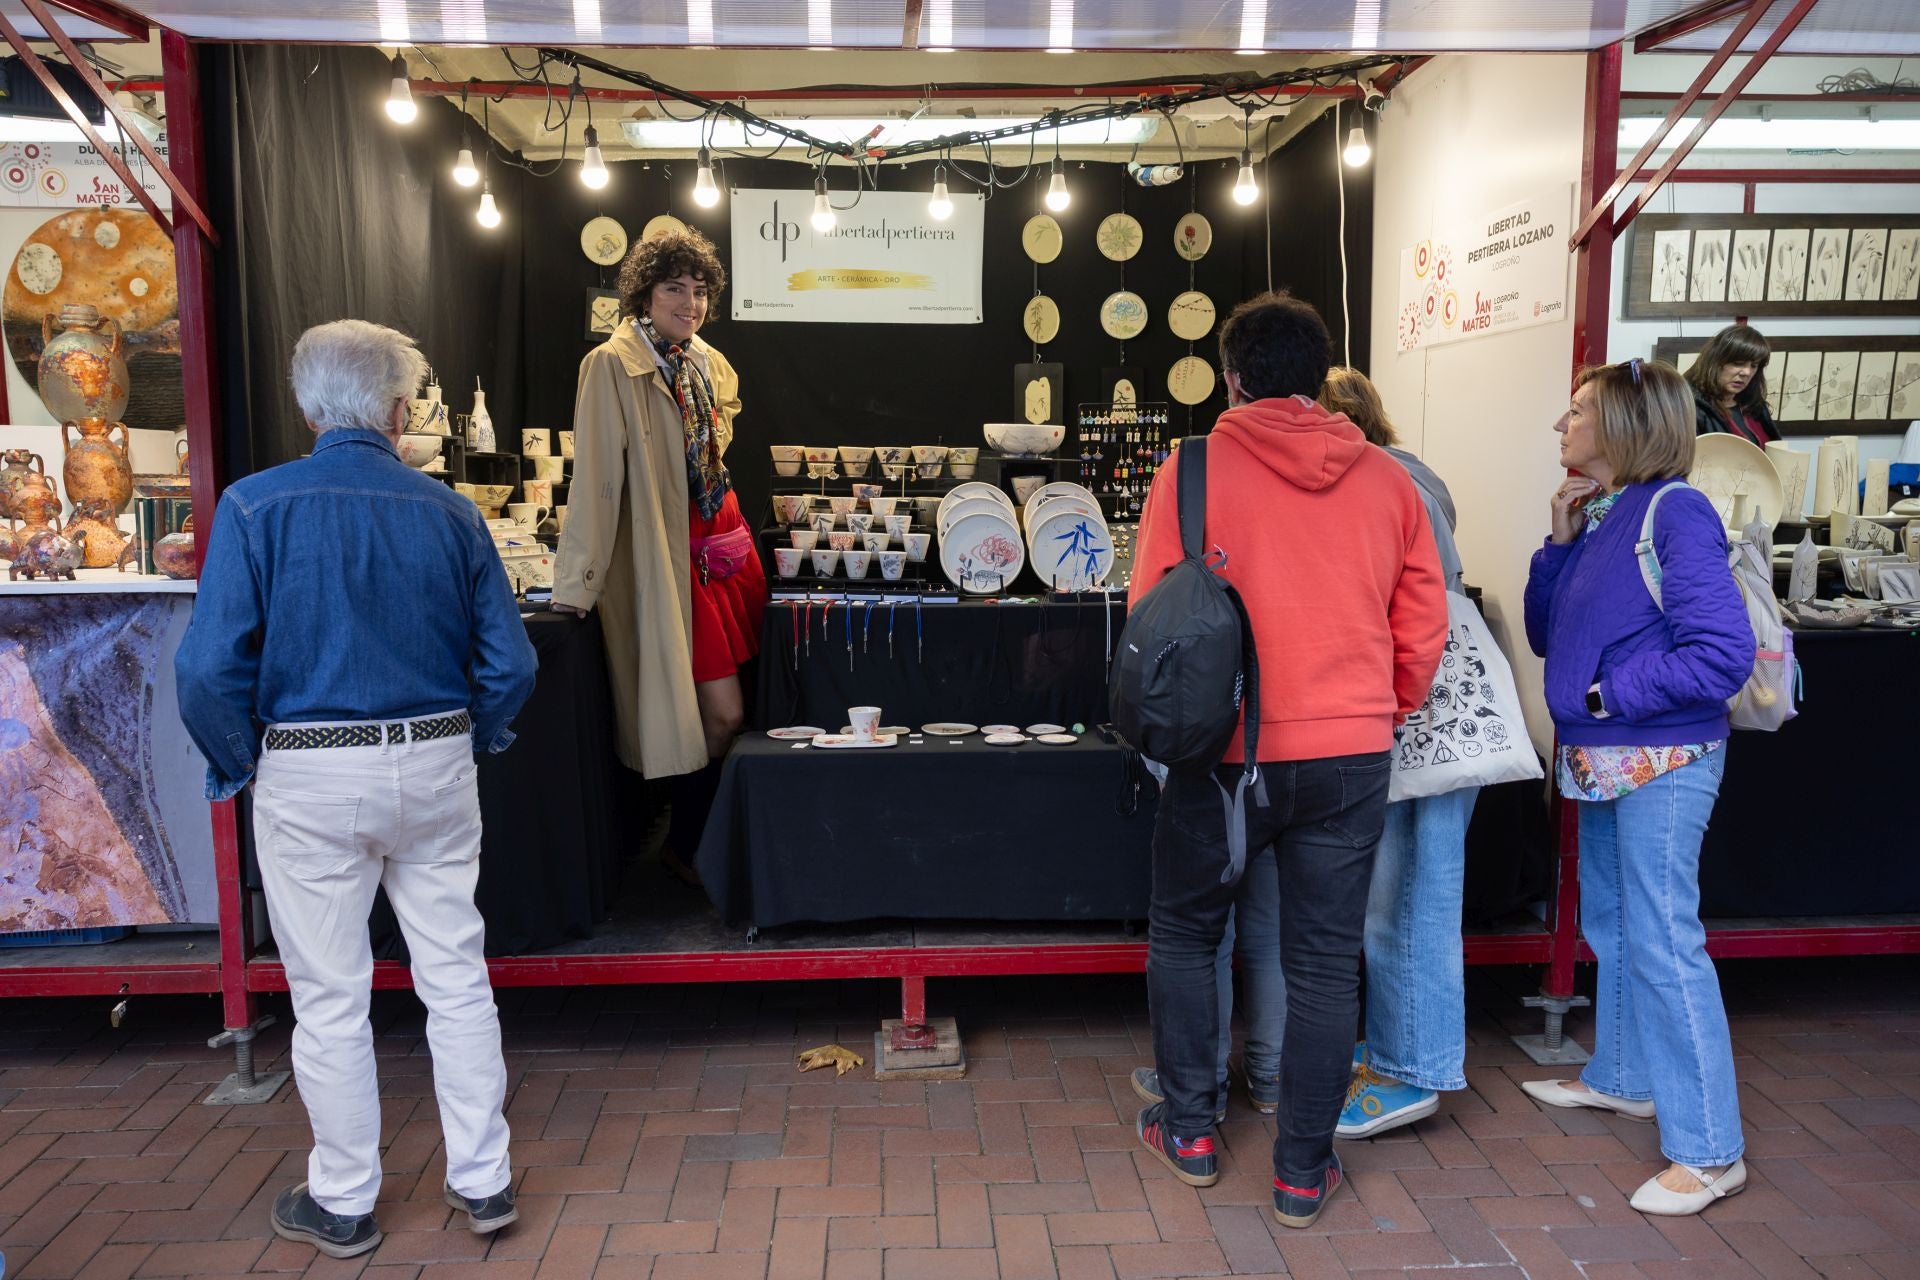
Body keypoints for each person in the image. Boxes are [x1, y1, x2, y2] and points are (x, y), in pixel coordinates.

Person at [175, 320, 537, 1259]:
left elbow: (207, 672)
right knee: (455, 975)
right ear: (400, 410)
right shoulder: (450, 511)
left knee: (329, 995)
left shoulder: (255, 508)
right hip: (433, 755)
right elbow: (511, 663)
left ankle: (344, 1201)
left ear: (305, 407)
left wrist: (240, 762)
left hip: (310, 764)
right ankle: (484, 1179)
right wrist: (476, 731)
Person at [1126, 291, 1447, 1229]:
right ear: (1323, 379)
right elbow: (1421, 624)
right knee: (1322, 963)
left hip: (1222, 753)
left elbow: (1153, 612)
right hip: (1349, 752)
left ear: (1232, 376)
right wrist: (1382, 706)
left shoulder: (1188, 472)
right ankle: (1304, 1171)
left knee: (1187, 934)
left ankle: (1189, 1131)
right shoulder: (1391, 481)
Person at [1522, 358, 1754, 1217]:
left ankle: (1710, 1150)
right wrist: (1556, 542)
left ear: (1623, 425)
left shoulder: (1675, 510)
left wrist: (1606, 696)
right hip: (1607, 758)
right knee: (1618, 926)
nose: (1562, 425)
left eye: (1577, 411)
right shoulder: (1607, 514)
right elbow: (1550, 635)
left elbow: (1719, 655)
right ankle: (1623, 1078)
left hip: (1662, 756)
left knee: (1662, 938)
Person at [552, 228, 764, 879]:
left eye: (699, 291)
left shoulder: (706, 362)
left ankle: (703, 846)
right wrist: (576, 584)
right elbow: (595, 483)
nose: (690, 302)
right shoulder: (613, 365)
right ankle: (688, 846)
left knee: (736, 713)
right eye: (675, 288)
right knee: (715, 717)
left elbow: (707, 458)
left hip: (725, 551)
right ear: (644, 292)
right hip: (674, 562)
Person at [1316, 367, 1479, 1140]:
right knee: (1400, 894)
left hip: (1418, 711)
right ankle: (1394, 1049)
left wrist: (1394, 702)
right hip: (1414, 704)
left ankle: (1410, 1071)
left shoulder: (1388, 483)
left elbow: (1422, 603)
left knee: (1410, 896)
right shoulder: (1413, 476)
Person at [1684, 324, 1778, 445]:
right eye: (1738, 363)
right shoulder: (1691, 407)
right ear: (1716, 361)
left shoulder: (1755, 406)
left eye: (1754, 366)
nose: (1747, 372)